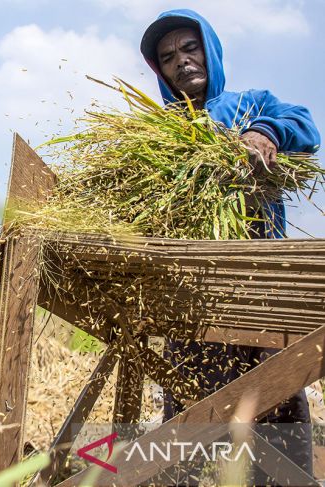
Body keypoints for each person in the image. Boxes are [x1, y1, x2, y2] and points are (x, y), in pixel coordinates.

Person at [139, 8, 321, 485]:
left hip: (260, 290)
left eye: (189, 48)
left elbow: (307, 128)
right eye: (168, 57)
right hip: (192, 298)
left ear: (210, 50)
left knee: (276, 407)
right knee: (190, 416)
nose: (181, 61)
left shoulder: (251, 104)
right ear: (160, 71)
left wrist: (265, 132)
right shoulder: (158, 135)